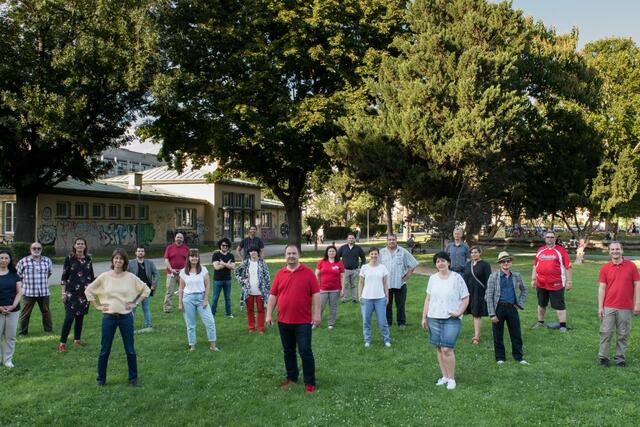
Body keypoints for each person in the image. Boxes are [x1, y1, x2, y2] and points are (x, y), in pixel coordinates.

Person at [85, 248, 150, 386]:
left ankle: (133, 379)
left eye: (121, 259)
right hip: (108, 317)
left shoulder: (130, 277)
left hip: (126, 317)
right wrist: (97, 306)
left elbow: (146, 289)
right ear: (112, 260)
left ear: (124, 261)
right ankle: (101, 380)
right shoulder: (104, 276)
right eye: (116, 258)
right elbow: (89, 289)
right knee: (105, 350)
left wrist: (135, 303)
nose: (118, 261)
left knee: (130, 349)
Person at [266, 245, 320, 395]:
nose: (291, 256)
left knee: (305, 351)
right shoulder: (279, 274)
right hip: (283, 321)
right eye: (288, 253)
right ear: (285, 256)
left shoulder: (308, 273)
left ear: (299, 255)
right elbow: (273, 296)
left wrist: (317, 314)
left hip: (303, 321)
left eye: (294, 253)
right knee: (288, 351)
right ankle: (292, 377)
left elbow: (316, 294)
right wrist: (269, 314)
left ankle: (310, 382)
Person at [421, 252, 469, 390]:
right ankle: (445, 376)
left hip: (451, 318)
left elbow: (466, 297)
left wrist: (459, 312)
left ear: (448, 262)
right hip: (434, 317)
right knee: (439, 348)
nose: (440, 264)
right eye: (437, 262)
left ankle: (452, 378)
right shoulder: (433, 279)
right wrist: (424, 317)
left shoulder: (457, 278)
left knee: (447, 348)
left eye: (442, 261)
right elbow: (428, 298)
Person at [597, 241, 640, 367]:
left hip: (626, 306)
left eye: (617, 249)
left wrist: (637, 303)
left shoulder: (631, 266)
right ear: (609, 251)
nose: (615, 251)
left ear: (622, 251)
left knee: (623, 334)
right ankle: (603, 358)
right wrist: (600, 307)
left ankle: (620, 359)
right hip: (608, 306)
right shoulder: (605, 268)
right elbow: (602, 288)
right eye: (612, 249)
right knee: (605, 333)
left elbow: (637, 284)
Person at [486, 251, 529, 365]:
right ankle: (500, 357)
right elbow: (489, 296)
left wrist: (519, 303)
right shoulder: (493, 277)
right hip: (498, 308)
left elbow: (524, 289)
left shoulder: (516, 276)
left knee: (516, 333)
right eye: (503, 261)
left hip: (512, 308)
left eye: (508, 261)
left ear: (511, 263)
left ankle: (519, 357)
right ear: (500, 263)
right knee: (497, 334)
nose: (505, 263)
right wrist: (492, 314)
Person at [58, 238, 95, 352]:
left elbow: (91, 276)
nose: (80, 246)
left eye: (82, 244)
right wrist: (63, 293)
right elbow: (64, 277)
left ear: (85, 246)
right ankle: (62, 343)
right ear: (74, 246)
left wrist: (92, 291)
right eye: (78, 244)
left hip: (84, 293)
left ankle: (77, 340)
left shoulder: (89, 259)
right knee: (69, 318)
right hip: (71, 293)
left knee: (80, 317)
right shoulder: (69, 259)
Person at [531, 230, 572, 332]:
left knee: (559, 305)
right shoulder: (540, 250)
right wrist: (533, 279)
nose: (549, 239)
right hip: (541, 283)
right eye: (548, 237)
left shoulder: (561, 250)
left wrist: (569, 281)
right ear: (545, 239)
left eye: (552, 237)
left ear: (555, 239)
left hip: (556, 283)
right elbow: (535, 266)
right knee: (541, 304)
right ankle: (540, 322)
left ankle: (562, 326)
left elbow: (568, 267)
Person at [178, 249, 219, 351]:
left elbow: (208, 284)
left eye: (196, 256)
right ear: (189, 258)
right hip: (188, 299)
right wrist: (180, 303)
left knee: (210, 322)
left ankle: (213, 346)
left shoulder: (203, 270)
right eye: (192, 256)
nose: (194, 258)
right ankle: (192, 345)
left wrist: (205, 299)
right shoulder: (183, 272)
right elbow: (181, 288)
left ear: (198, 258)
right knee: (190, 324)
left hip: (201, 298)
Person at [379, 234, 417, 328]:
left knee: (400, 305)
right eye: (389, 240)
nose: (391, 241)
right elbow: (377, 267)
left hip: (400, 283)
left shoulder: (403, 251)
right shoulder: (381, 252)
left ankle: (401, 323)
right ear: (387, 241)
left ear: (396, 240)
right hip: (386, 284)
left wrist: (407, 276)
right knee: (387, 304)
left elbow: (413, 264)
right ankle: (388, 322)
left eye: (393, 239)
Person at [17, 242, 53, 336]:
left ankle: (48, 330)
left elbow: (49, 273)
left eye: (38, 248)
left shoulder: (47, 260)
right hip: (29, 292)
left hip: (44, 292)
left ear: (41, 249)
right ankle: (23, 332)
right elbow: (18, 276)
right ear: (30, 249)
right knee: (25, 314)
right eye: (34, 248)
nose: (36, 250)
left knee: (46, 312)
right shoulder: (23, 261)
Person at [358, 247, 391, 347]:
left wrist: (387, 296)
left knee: (382, 321)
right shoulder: (364, 267)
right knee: (366, 321)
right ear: (369, 255)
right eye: (372, 254)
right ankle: (367, 340)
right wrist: (359, 296)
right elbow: (360, 282)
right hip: (366, 298)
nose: (374, 256)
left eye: (375, 254)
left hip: (380, 298)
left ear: (378, 255)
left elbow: (385, 283)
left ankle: (386, 340)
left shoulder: (383, 268)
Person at [235, 246, 271, 333]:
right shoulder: (245, 263)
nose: (253, 253)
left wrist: (266, 288)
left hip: (260, 291)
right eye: (251, 251)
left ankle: (260, 328)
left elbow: (267, 277)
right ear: (249, 253)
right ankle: (251, 327)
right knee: (250, 310)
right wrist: (243, 281)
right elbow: (237, 272)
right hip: (249, 291)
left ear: (258, 252)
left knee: (261, 310)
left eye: (255, 251)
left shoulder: (262, 263)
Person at [462, 246, 491, 344]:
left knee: (477, 314)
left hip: (479, 292)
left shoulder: (485, 265)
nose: (473, 254)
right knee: (473, 313)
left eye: (475, 252)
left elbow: (488, 280)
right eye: (472, 253)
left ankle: (476, 337)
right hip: (469, 292)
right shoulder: (468, 264)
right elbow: (465, 278)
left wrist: (487, 292)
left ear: (480, 253)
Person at [127, 246, 159, 332]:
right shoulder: (130, 263)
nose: (140, 252)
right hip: (134, 290)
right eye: (139, 251)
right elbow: (125, 274)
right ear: (135, 253)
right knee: (132, 308)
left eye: (142, 251)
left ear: (144, 253)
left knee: (146, 308)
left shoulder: (149, 263)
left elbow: (156, 273)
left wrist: (154, 284)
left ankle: (148, 325)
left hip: (146, 290)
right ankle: (129, 326)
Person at [0, 249, 23, 368]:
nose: (3, 260)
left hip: (13, 310)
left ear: (9, 260)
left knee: (10, 336)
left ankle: (8, 361)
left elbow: (19, 292)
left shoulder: (15, 275)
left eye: (6, 258)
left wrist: (13, 305)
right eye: (1, 258)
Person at [315, 245, 345, 329]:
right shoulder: (321, 262)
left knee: (333, 307)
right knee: (320, 306)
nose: (331, 252)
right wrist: (316, 286)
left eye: (333, 251)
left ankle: (330, 323)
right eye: (330, 251)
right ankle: (316, 322)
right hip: (323, 289)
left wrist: (342, 289)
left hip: (335, 290)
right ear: (327, 253)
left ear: (336, 253)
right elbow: (316, 274)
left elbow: (342, 276)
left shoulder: (339, 263)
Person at [163, 233, 189, 313]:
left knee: (185, 291)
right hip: (171, 273)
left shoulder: (186, 248)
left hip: (183, 274)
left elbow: (189, 261)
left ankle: (184, 307)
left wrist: (184, 269)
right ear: (175, 238)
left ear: (183, 239)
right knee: (169, 291)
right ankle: (167, 308)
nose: (179, 239)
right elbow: (166, 259)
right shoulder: (170, 248)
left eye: (181, 237)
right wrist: (171, 269)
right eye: (178, 237)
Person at [337, 233, 366, 303]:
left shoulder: (358, 248)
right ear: (347, 239)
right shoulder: (343, 248)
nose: (351, 239)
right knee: (344, 285)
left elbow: (363, 258)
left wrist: (361, 267)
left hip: (355, 270)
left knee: (354, 285)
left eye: (352, 238)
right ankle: (344, 299)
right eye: (349, 238)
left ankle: (354, 299)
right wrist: (339, 266)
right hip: (345, 270)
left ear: (355, 239)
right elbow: (337, 257)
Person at [211, 237, 235, 318]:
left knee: (228, 298)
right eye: (223, 245)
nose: (224, 247)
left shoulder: (231, 255)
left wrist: (223, 263)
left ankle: (228, 314)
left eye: (226, 245)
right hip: (217, 280)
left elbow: (233, 267)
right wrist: (227, 264)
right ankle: (212, 314)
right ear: (220, 246)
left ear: (228, 246)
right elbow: (216, 267)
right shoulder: (216, 255)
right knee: (215, 298)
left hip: (228, 280)